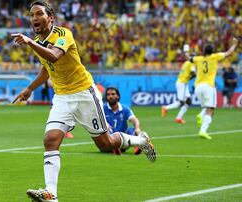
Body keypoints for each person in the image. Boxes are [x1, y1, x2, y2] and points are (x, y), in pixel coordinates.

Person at [11, 1, 156, 201]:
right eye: (31, 15)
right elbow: (47, 68)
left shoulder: (63, 34)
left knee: (105, 144)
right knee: (50, 140)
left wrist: (29, 42)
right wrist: (30, 88)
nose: (34, 18)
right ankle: (51, 194)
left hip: (84, 94)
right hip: (62, 98)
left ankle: (142, 140)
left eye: (38, 14)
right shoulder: (37, 40)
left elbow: (53, 56)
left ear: (50, 17)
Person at [185, 37, 239, 139]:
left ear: (204, 51)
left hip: (197, 87)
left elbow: (188, 58)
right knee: (211, 109)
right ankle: (203, 131)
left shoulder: (199, 58)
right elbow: (229, 52)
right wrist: (235, 44)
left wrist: (186, 50)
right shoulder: (215, 57)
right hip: (208, 86)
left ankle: (201, 115)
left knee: (206, 106)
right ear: (212, 51)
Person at [104, 87, 142, 155]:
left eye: (113, 94)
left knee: (132, 130)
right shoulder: (102, 109)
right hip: (108, 140)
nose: (110, 96)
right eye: (108, 94)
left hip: (123, 139)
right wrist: (105, 124)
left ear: (118, 96)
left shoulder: (125, 109)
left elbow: (134, 119)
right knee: (105, 130)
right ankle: (115, 146)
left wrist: (137, 128)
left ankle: (137, 146)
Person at [161, 59, 196, 124]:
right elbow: (193, 74)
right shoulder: (192, 64)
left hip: (182, 82)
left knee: (188, 101)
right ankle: (165, 108)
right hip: (182, 83)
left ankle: (178, 118)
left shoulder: (186, 62)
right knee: (181, 102)